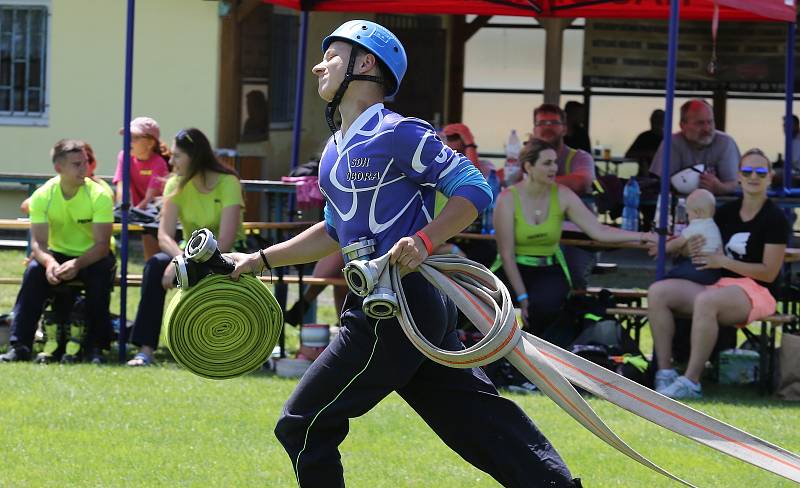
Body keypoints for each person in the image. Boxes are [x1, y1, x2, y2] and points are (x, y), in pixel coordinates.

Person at [227, 20, 581, 487]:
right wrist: (257, 260)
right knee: (479, 423)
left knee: (303, 424)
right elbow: (335, 229)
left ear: (365, 63)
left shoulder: (398, 132)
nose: (319, 65)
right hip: (386, 303)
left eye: (331, 56)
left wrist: (425, 240)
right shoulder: (334, 149)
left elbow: (474, 190)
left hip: (399, 305)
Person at [647, 149, 789, 399]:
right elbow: (701, 240)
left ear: (770, 178)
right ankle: (665, 373)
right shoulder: (724, 213)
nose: (753, 176)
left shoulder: (775, 218)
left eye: (760, 172)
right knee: (658, 292)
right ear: (738, 177)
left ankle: (691, 381)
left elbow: (768, 273)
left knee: (706, 301)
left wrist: (722, 261)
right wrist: (689, 247)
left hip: (758, 292)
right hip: (719, 284)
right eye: (747, 171)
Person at [494, 138, 656, 337]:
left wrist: (644, 236)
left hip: (548, 268)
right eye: (547, 163)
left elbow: (599, 231)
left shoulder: (562, 194)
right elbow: (506, 255)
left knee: (546, 309)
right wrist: (523, 297)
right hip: (513, 268)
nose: (554, 168)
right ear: (528, 166)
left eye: (555, 162)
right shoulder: (508, 198)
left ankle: (534, 360)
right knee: (485, 306)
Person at [126, 128, 245, 367]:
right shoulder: (174, 184)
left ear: (195, 156)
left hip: (228, 256)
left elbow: (226, 240)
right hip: (189, 252)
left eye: (177, 156)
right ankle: (145, 349)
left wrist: (186, 263)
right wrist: (179, 260)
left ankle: (219, 347)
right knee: (154, 266)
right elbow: (164, 236)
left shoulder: (228, 182)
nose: (171, 161)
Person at [0, 140, 115, 364]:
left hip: (93, 255)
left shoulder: (100, 195)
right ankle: (20, 346)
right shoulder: (43, 196)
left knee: (99, 277)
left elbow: (102, 245)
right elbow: (39, 244)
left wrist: (77, 264)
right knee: (34, 272)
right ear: (58, 169)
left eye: (85, 163)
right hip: (58, 254)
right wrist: (50, 264)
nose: (85, 169)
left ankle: (95, 349)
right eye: (77, 164)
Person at [527, 103, 597, 290]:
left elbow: (581, 182)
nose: (547, 127)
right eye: (542, 123)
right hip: (532, 235)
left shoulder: (579, 157)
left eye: (553, 122)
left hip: (576, 238)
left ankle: (577, 316)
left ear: (564, 128)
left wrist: (534, 180)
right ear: (534, 130)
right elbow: (504, 181)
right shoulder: (526, 158)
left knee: (572, 279)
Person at [649, 99, 741, 195]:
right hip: (680, 206)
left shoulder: (725, 143)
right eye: (700, 123)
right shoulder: (672, 143)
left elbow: (734, 184)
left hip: (718, 207)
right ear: (682, 125)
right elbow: (659, 184)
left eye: (710, 122)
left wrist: (719, 188)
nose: (707, 129)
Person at [113, 116, 170, 260]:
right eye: (128, 137)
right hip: (137, 212)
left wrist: (134, 213)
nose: (128, 141)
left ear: (150, 143)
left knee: (154, 256)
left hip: (155, 215)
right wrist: (124, 207)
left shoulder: (159, 163)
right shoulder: (124, 156)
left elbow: (150, 199)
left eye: (135, 138)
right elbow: (122, 185)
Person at [663, 189, 723, 286]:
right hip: (714, 272)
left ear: (697, 213)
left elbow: (677, 243)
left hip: (698, 267)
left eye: (688, 214)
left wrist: (663, 248)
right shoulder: (713, 225)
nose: (688, 217)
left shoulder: (696, 225)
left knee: (669, 277)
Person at [625, 109, 664, 177]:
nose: (657, 122)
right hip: (644, 176)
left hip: (664, 177)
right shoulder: (644, 137)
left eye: (660, 120)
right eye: (655, 119)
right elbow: (628, 154)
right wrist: (647, 154)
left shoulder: (670, 139)